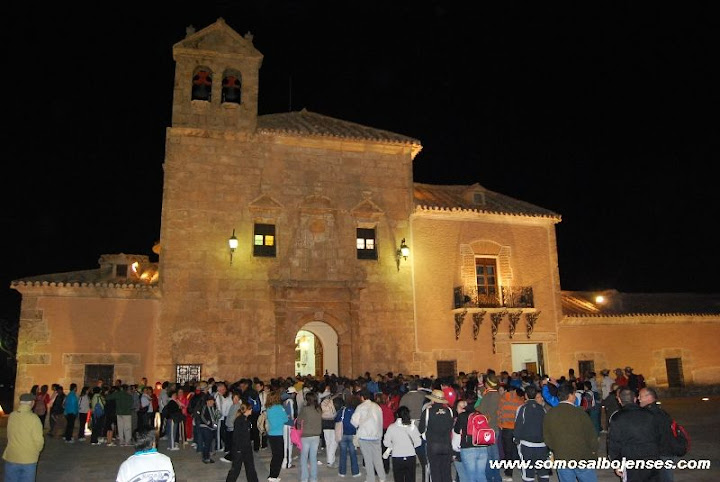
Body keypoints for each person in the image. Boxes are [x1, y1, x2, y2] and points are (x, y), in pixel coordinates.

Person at [543, 383, 598, 482]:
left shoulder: (550, 413)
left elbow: (547, 437)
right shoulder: (580, 412)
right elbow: (591, 435)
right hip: (581, 456)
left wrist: (556, 448)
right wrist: (593, 451)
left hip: (561, 456)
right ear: (570, 395)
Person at [608, 387, 660, 482]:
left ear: (619, 400)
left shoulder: (617, 418)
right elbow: (658, 435)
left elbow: (614, 443)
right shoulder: (649, 414)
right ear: (635, 399)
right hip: (652, 456)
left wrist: (616, 463)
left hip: (631, 459)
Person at [3, 393, 44, 482]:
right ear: (32, 403)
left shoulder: (12, 415)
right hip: (28, 459)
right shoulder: (34, 418)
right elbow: (39, 441)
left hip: (11, 455)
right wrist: (35, 451)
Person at [513, 385, 550, 482]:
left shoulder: (522, 408)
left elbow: (518, 424)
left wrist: (516, 439)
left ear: (526, 395)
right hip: (542, 444)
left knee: (528, 472)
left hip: (527, 444)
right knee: (543, 471)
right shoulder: (542, 409)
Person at [419, 389, 455, 482]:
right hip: (447, 444)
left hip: (433, 444)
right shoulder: (449, 411)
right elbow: (451, 426)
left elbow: (421, 429)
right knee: (446, 471)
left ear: (433, 400)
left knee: (435, 470)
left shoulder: (427, 411)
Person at [351, 389, 386, 482]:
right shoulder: (377, 407)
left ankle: (370, 478)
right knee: (378, 458)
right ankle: (382, 477)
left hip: (364, 436)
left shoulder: (360, 407)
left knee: (368, 459)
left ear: (362, 397)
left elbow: (354, 422)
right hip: (377, 435)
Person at [383, 405, 421, 482]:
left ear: (397, 415)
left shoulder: (392, 427)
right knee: (410, 478)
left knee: (398, 478)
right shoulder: (413, 427)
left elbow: (386, 442)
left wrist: (393, 446)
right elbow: (419, 442)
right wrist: (411, 446)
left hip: (397, 457)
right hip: (410, 456)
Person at [225, 402, 259, 482]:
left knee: (250, 467)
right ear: (246, 410)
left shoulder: (246, 420)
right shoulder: (239, 421)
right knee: (236, 468)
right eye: (250, 409)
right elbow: (236, 436)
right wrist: (238, 449)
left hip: (247, 447)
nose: (251, 410)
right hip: (239, 448)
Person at [478, 373, 502, 482]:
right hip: (490, 427)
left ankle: (493, 477)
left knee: (491, 455)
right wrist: (480, 384)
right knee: (491, 454)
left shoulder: (492, 395)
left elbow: (484, 410)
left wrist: (478, 404)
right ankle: (494, 476)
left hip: (489, 428)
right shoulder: (492, 393)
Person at [297, 391, 323, 482]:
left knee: (304, 457)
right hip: (316, 435)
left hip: (306, 435)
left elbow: (299, 421)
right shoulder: (319, 409)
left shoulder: (305, 409)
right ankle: (313, 478)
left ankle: (304, 478)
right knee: (313, 457)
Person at [265, 389, 290, 482]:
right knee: (279, 455)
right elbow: (285, 419)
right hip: (278, 434)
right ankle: (273, 475)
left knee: (275, 455)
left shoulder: (268, 408)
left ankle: (272, 474)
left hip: (271, 433)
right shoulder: (279, 407)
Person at [335, 394, 361, 478]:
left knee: (343, 453)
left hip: (343, 434)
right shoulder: (356, 411)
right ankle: (355, 472)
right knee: (353, 453)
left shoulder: (343, 410)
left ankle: (342, 472)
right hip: (352, 434)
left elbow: (337, 419)